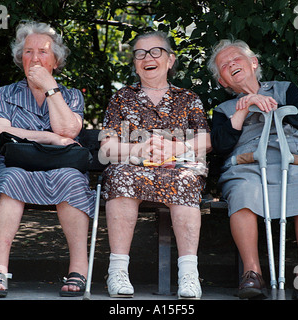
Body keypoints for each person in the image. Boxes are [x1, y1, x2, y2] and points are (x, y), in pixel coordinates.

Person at [208, 39, 298, 300]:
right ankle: (252, 274)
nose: (231, 64)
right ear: (222, 82)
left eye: (236, 59)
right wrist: (244, 108)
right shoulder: (223, 109)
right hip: (248, 166)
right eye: (224, 65)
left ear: (253, 63)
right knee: (243, 191)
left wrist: (269, 103)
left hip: (295, 163)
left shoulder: (284, 89)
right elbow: (220, 146)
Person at [0, 21, 96, 298]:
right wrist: (49, 138)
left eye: (43, 52)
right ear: (19, 58)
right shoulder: (6, 93)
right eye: (28, 52)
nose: (34, 58)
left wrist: (50, 89)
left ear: (56, 60)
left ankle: (78, 268)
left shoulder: (71, 96)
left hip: (61, 167)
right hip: (15, 165)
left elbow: (69, 131)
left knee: (71, 179)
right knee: (11, 178)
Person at [99, 31, 211, 299]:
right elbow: (106, 147)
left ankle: (189, 275)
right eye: (140, 53)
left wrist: (178, 147)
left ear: (170, 60)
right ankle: (117, 272)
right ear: (136, 63)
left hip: (178, 166)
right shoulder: (121, 98)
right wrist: (137, 148)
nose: (147, 57)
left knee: (185, 179)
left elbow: (206, 140)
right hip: (134, 166)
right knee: (119, 176)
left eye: (155, 52)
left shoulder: (188, 98)